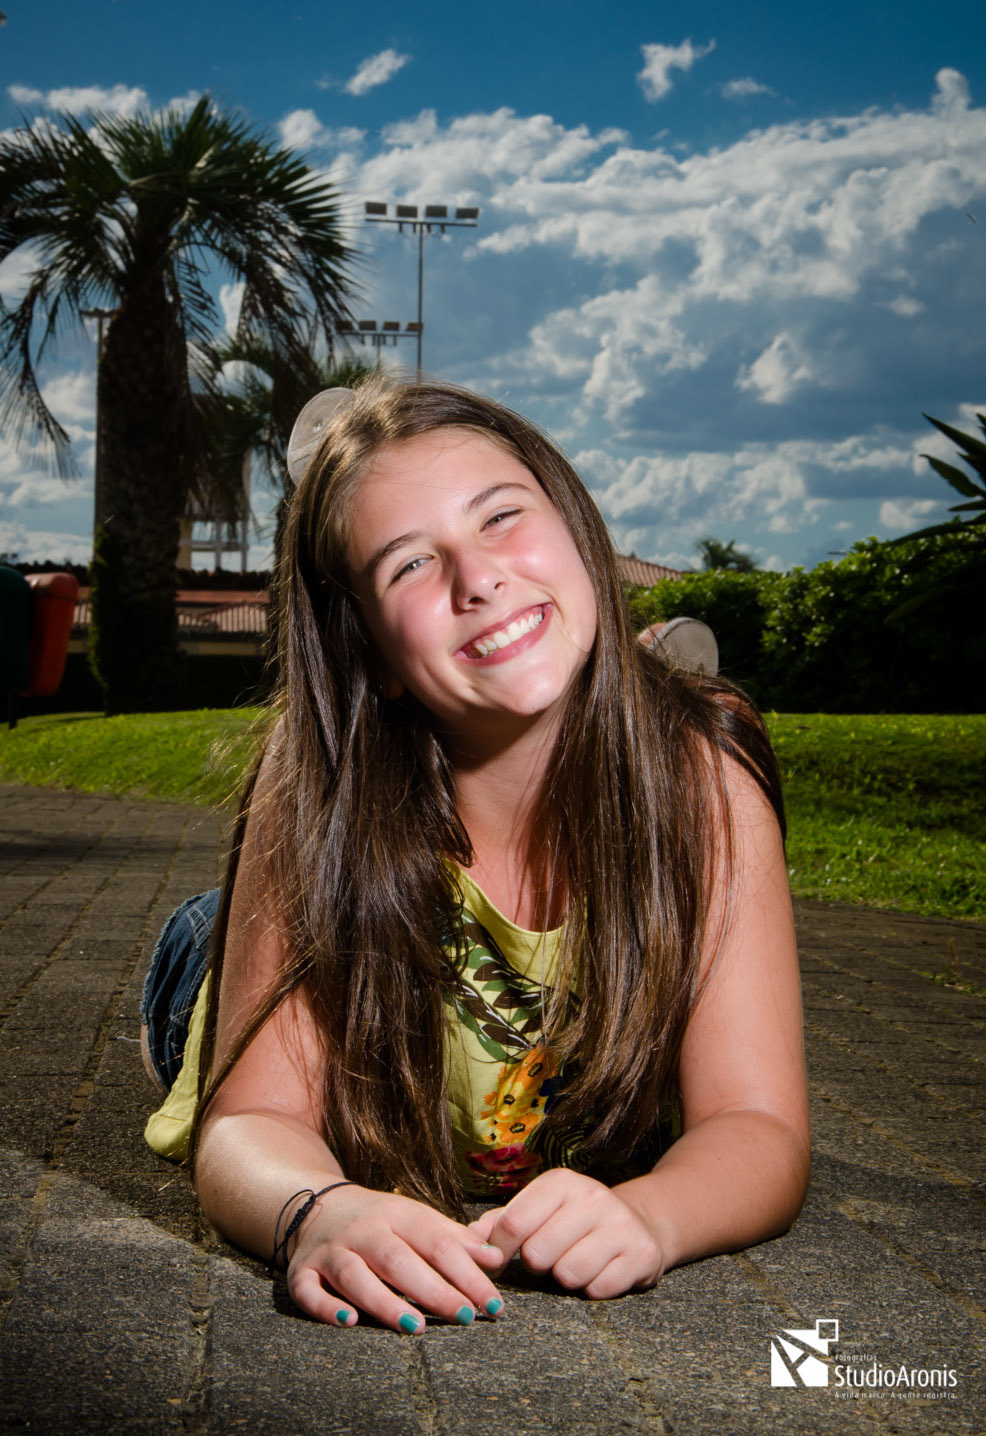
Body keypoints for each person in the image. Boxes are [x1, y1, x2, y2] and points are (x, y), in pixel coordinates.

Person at [140, 376, 809, 1335]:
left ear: (579, 530)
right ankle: (206, 944)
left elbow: (760, 1126)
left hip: (448, 1013)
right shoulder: (318, 796)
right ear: (368, 651)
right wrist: (318, 1211)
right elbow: (250, 1125)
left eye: (501, 516)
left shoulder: (705, 784)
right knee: (209, 960)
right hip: (285, 977)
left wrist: (653, 1216)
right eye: (410, 564)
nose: (479, 577)